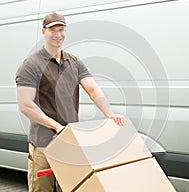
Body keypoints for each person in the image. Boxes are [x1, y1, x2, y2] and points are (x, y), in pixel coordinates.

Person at [15, 12, 124, 192]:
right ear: (43, 32)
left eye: (61, 29)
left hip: (70, 142)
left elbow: (93, 90)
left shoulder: (74, 62)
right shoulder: (31, 65)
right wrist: (57, 127)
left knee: (71, 188)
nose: (58, 34)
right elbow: (25, 105)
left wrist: (110, 114)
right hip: (43, 144)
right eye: (53, 30)